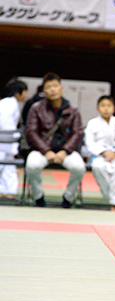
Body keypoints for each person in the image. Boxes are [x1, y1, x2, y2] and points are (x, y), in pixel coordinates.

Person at [25, 72, 85, 208]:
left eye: (55, 86)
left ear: (61, 88)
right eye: (48, 87)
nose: (52, 89)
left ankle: (68, 197)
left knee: (79, 167)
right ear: (44, 91)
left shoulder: (73, 110)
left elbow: (77, 133)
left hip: (66, 151)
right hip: (42, 150)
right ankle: (38, 196)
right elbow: (31, 132)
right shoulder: (36, 108)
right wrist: (46, 151)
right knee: (31, 165)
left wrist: (65, 151)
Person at [84, 96, 115, 212]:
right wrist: (104, 152)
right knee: (98, 166)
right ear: (97, 108)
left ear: (114, 109)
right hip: (100, 155)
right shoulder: (92, 123)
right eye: (103, 105)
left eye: (109, 106)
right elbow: (89, 142)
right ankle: (112, 195)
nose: (106, 109)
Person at [0, 79, 28, 199]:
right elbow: (5, 123)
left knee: (8, 166)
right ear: (18, 93)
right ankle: (8, 191)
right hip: (4, 140)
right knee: (4, 165)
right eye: (25, 92)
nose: (26, 95)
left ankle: (8, 191)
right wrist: (15, 137)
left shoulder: (10, 103)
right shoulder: (8, 103)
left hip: (5, 141)